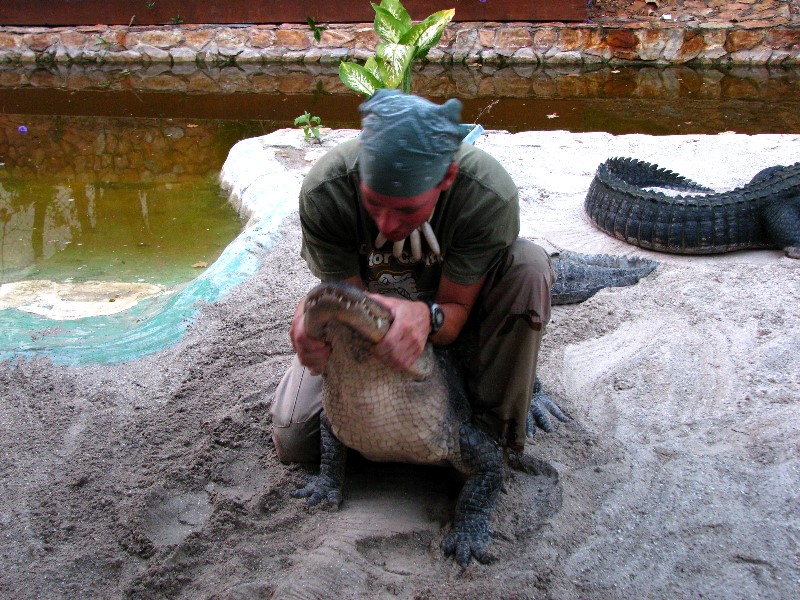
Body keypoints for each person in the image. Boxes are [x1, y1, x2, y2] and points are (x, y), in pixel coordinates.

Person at [271, 89, 556, 463]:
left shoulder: (486, 194)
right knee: (296, 443)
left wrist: (426, 316)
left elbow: (454, 315)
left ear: (447, 177)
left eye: (406, 209)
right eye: (374, 203)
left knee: (530, 266)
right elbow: (348, 302)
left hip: (455, 316)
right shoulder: (327, 191)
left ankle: (504, 410)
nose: (387, 225)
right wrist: (312, 312)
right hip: (373, 326)